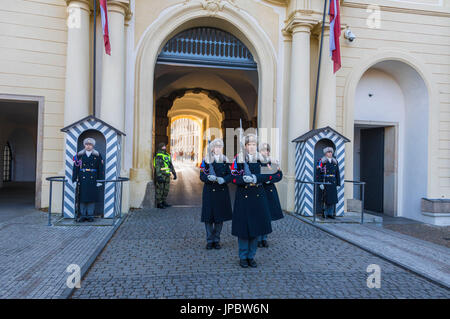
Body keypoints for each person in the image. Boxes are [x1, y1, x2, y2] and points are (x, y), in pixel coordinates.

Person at [231, 134, 272, 268]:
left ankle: (251, 256)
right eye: (249, 145)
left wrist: (255, 178)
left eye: (254, 144)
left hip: (258, 197)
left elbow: (272, 174)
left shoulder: (262, 159)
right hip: (243, 197)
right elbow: (233, 176)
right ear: (245, 146)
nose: (252, 147)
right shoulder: (239, 159)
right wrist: (243, 180)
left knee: (255, 228)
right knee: (243, 230)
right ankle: (243, 257)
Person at [199, 139, 233, 250]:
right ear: (212, 148)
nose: (218, 149)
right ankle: (209, 240)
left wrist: (224, 179)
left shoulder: (225, 160)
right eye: (216, 147)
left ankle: (217, 240)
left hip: (221, 191)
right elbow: (202, 175)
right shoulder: (206, 160)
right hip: (209, 191)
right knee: (208, 218)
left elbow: (231, 175)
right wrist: (208, 178)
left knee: (219, 217)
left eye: (220, 147)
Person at [257, 142, 283, 248]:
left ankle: (264, 238)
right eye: (263, 150)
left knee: (267, 216)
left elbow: (279, 175)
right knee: (259, 216)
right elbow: (258, 174)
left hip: (270, 191)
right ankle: (258, 238)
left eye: (266, 150)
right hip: (259, 190)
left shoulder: (273, 162)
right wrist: (266, 178)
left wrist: (270, 180)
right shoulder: (256, 162)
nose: (265, 152)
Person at [72, 137, 104, 222]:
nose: (88, 146)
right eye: (86, 144)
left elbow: (100, 168)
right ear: (84, 145)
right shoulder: (79, 155)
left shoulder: (97, 155)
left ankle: (90, 215)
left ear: (93, 145)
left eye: (90, 144)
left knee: (91, 197)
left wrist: (100, 180)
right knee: (82, 197)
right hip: (82, 179)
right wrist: (74, 180)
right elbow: (75, 168)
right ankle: (83, 215)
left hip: (93, 179)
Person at [316, 146, 341, 219]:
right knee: (325, 198)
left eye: (331, 152)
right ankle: (325, 213)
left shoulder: (335, 161)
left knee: (332, 199)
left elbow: (337, 173)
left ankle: (331, 213)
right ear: (325, 153)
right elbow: (318, 172)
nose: (330, 153)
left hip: (333, 182)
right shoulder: (321, 161)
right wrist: (320, 183)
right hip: (325, 181)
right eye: (328, 152)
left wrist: (338, 183)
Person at [153, 142, 177, 209]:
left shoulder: (167, 155)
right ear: (161, 147)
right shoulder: (158, 156)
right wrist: (159, 175)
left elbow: (170, 165)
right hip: (161, 175)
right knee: (160, 189)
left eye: (165, 146)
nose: (165, 147)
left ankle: (164, 201)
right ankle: (159, 203)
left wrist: (174, 173)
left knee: (166, 189)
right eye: (163, 146)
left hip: (167, 175)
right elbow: (157, 166)